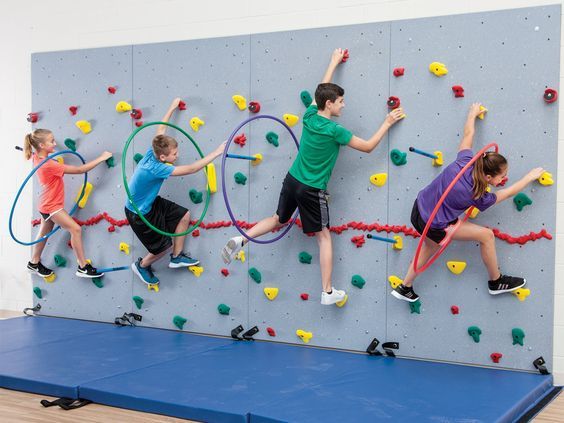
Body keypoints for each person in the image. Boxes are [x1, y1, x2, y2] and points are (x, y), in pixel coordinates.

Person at [222, 48, 405, 305]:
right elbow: (368, 147)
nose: (344, 104)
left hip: (292, 179)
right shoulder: (335, 130)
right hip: (311, 189)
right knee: (323, 236)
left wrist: (332, 62)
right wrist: (387, 123)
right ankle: (328, 291)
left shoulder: (309, 115)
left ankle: (242, 238)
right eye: (340, 101)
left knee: (278, 218)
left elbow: (320, 88)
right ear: (329, 104)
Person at [392, 103, 545, 302]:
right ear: (488, 177)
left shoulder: (464, 163)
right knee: (487, 236)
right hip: (435, 224)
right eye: (502, 176)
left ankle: (405, 286)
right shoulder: (477, 195)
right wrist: (529, 177)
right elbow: (505, 194)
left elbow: (468, 136)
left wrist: (472, 114)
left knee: (429, 247)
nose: (503, 179)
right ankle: (496, 281)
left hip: (419, 209)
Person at [126, 97, 226, 286]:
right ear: (163, 157)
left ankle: (177, 257)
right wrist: (217, 152)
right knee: (162, 248)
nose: (177, 155)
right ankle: (142, 265)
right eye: (174, 154)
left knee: (184, 215)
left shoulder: (153, 151)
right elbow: (190, 169)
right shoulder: (156, 168)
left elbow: (160, 130)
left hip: (149, 203)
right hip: (138, 212)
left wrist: (172, 107)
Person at [24, 129, 112, 278]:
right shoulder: (49, 165)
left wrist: (47, 150)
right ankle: (83, 266)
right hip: (52, 206)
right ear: (41, 145)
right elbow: (79, 169)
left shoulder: (37, 158)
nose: (55, 143)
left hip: (46, 204)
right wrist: (101, 158)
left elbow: (40, 153)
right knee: (75, 229)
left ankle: (34, 263)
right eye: (51, 141)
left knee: (44, 233)